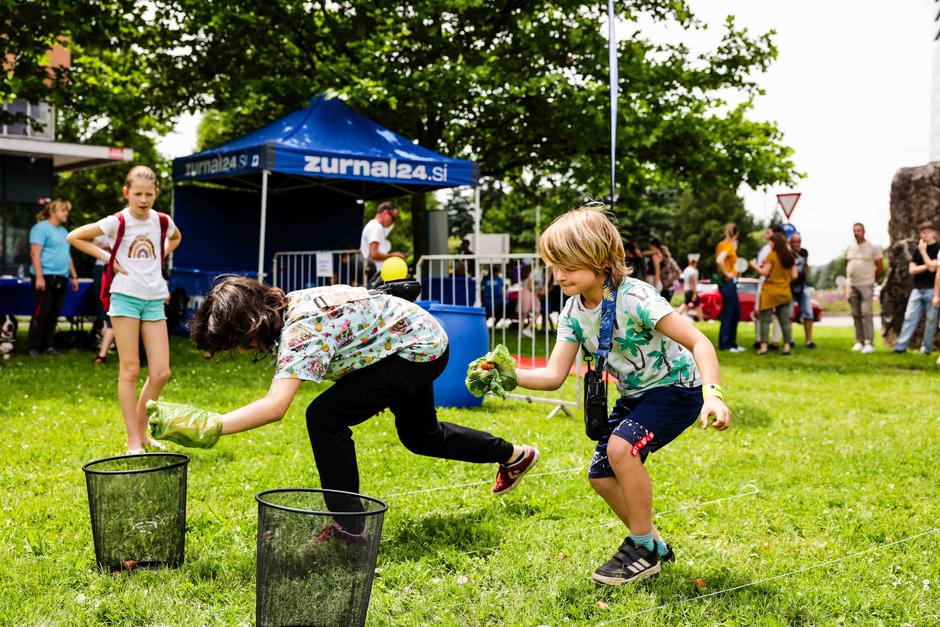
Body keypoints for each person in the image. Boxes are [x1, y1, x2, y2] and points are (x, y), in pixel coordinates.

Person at [155, 277, 539, 531]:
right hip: (415, 340)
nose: (241, 351)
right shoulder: (292, 304)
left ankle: (348, 527)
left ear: (251, 323)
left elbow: (275, 407)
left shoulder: (302, 331)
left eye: (237, 343)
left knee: (323, 417)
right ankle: (514, 454)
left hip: (415, 350)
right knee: (422, 437)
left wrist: (211, 424)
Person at [500, 206, 730, 586]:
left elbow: (699, 341)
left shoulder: (636, 297)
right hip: (636, 395)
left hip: (677, 389)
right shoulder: (573, 312)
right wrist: (509, 376)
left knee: (621, 449)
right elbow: (554, 375)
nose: (558, 276)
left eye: (568, 266)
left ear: (600, 260)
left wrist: (714, 395)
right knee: (601, 476)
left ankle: (639, 547)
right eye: (553, 266)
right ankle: (654, 543)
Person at [68, 165, 182, 453]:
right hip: (125, 297)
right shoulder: (117, 221)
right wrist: (108, 257)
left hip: (154, 298)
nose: (143, 200)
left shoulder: (163, 221)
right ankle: (133, 439)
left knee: (161, 372)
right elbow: (75, 236)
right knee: (130, 369)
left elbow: (176, 238)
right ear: (126, 192)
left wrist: (159, 255)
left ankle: (142, 433)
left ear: (157, 192)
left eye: (148, 194)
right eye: (137, 194)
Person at [27, 199, 79, 357]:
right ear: (53, 212)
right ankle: (34, 347)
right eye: (63, 210)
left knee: (54, 313)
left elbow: (67, 255)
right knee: (42, 312)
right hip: (45, 276)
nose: (66, 213)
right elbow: (34, 254)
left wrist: (74, 276)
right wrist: (40, 277)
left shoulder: (64, 232)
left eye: (66, 210)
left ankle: (49, 346)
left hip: (62, 277)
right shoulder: (40, 228)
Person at [893, 220, 939, 354]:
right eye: (922, 232)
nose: (924, 235)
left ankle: (926, 348)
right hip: (917, 289)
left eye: (927, 232)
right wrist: (929, 264)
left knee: (931, 320)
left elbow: (933, 269)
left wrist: (925, 254)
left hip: (932, 289)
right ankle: (901, 346)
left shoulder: (937, 248)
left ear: (933, 232)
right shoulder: (917, 251)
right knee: (909, 317)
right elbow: (912, 269)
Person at [750, 233, 797, 355]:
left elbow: (764, 272)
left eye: (770, 242)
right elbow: (794, 276)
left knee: (765, 320)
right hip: (784, 292)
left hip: (769, 292)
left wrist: (754, 265)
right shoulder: (790, 257)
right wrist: (784, 280)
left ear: (775, 243)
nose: (769, 244)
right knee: (784, 322)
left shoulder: (772, 256)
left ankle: (764, 347)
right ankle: (787, 346)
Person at [845, 222, 883, 354]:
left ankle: (869, 342)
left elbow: (880, 266)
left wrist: (873, 279)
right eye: (855, 231)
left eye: (859, 231)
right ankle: (859, 341)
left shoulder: (873, 247)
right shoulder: (850, 247)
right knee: (856, 314)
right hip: (852, 284)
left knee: (866, 313)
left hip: (866, 283)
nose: (856, 233)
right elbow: (847, 262)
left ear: (864, 231)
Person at [753, 224, 785, 348]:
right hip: (779, 287)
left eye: (769, 232)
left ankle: (761, 340)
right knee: (776, 315)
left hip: (766, 286)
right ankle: (774, 340)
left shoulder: (768, 250)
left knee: (761, 314)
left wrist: (754, 265)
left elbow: (763, 269)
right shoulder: (784, 249)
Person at [360, 201, 405, 288]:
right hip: (376, 276)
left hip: (374, 274)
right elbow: (374, 254)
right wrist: (393, 255)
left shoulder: (375, 226)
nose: (393, 222)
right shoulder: (376, 227)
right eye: (392, 218)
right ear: (384, 212)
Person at [715, 223, 745, 352]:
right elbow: (719, 260)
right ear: (735, 234)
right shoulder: (727, 245)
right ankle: (725, 344)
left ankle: (732, 343)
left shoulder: (723, 245)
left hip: (730, 283)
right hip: (728, 282)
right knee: (729, 313)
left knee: (735, 313)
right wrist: (727, 274)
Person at [91, 233, 116, 363]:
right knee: (104, 308)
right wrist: (107, 246)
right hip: (103, 267)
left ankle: (106, 348)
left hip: (118, 270)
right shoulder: (105, 230)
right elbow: (92, 245)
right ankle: (103, 345)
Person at [788, 233, 816, 349]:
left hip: (802, 285)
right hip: (789, 286)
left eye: (798, 242)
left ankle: (808, 341)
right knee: (789, 314)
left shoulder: (804, 252)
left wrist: (805, 274)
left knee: (808, 314)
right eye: (794, 242)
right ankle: (789, 340)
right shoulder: (787, 254)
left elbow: (806, 266)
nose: (796, 244)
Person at [677, 254, 701, 320]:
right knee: (698, 305)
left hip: (686, 290)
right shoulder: (694, 271)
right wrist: (695, 293)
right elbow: (693, 283)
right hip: (691, 290)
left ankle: (676, 316)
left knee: (685, 304)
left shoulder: (686, 269)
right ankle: (701, 320)